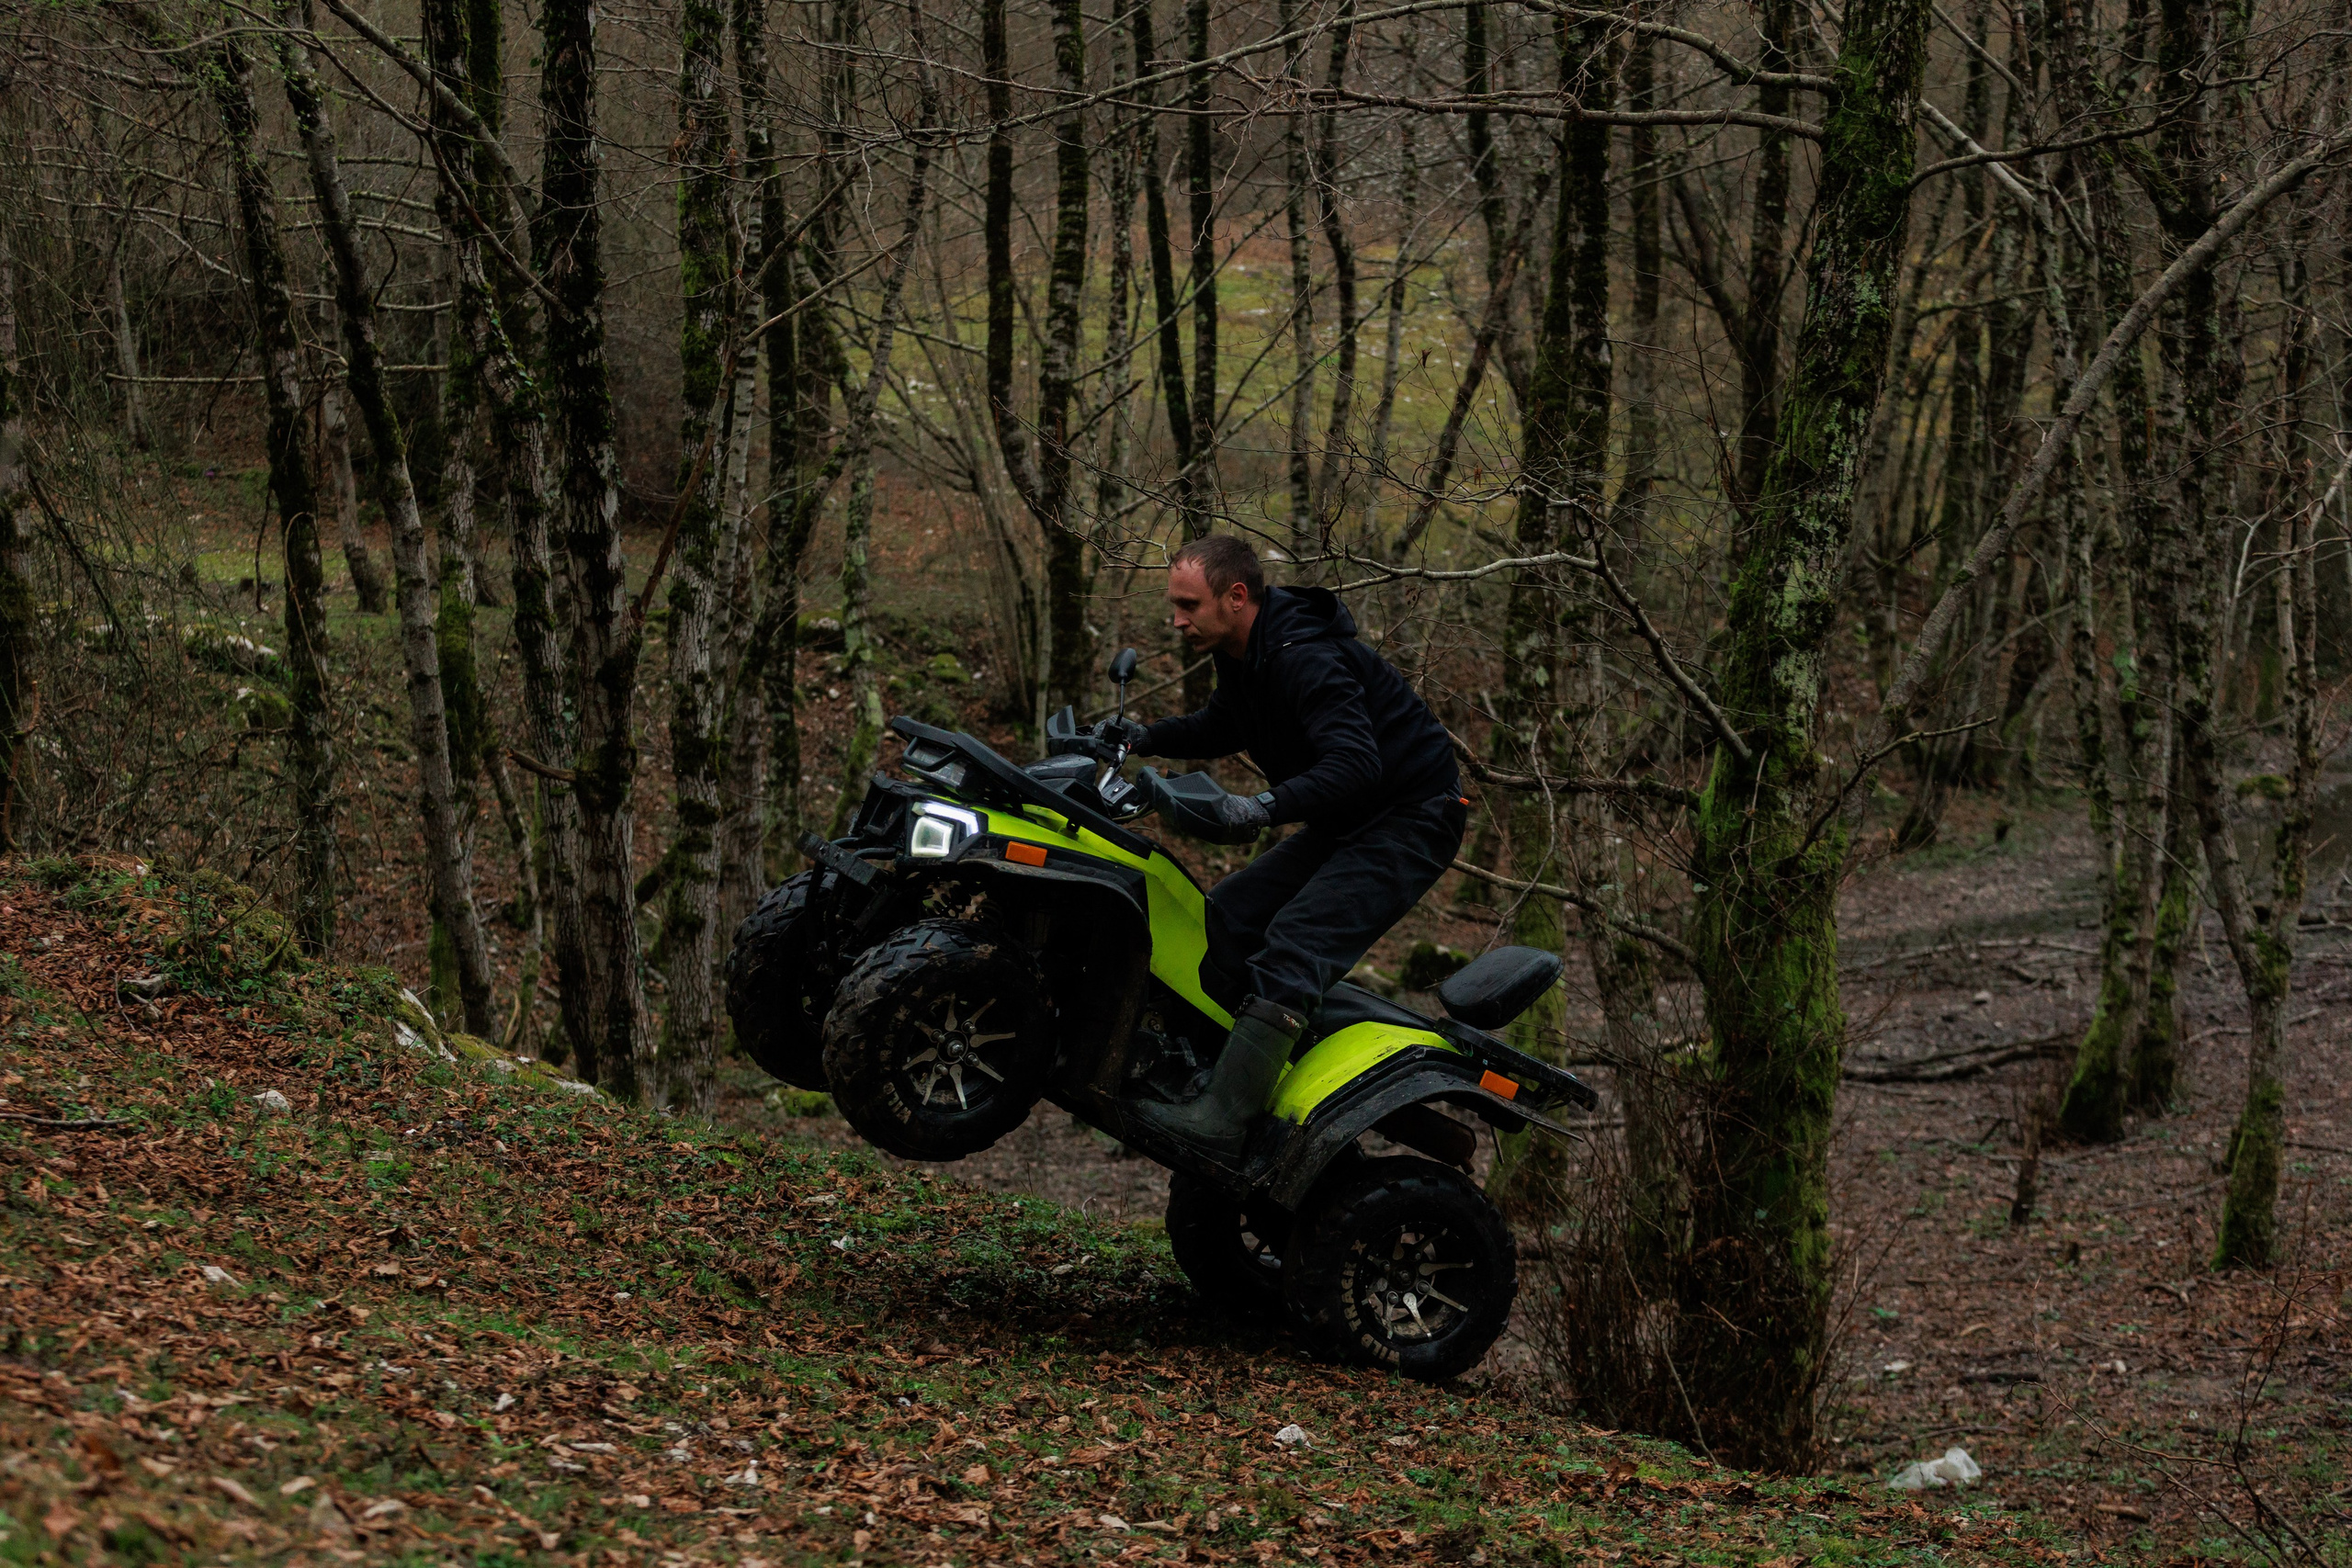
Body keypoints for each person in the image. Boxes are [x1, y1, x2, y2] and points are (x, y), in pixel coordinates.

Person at [1114, 535, 1467, 1159]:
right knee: (1223, 920)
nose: (1177, 620)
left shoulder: (1305, 658)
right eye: (1175, 605)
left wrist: (1263, 806)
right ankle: (1209, 1078)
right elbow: (1224, 724)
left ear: (1236, 597)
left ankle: (1226, 1117)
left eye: (1189, 604)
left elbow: (1356, 761)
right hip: (1351, 814)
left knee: (1297, 943)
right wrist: (1145, 736)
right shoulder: (1243, 652)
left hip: (1414, 815)